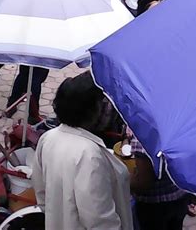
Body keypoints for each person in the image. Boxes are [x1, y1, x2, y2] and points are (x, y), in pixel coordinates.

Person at [32, 72, 133, 230]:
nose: (107, 109)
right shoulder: (90, 155)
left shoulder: (48, 137)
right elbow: (101, 221)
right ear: (91, 111)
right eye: (103, 103)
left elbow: (41, 194)